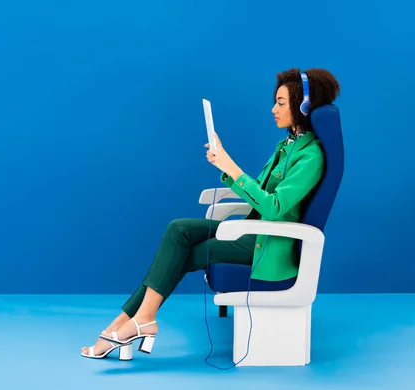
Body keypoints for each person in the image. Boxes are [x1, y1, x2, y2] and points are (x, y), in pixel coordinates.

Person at [81, 67, 341, 359]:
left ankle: (129, 323)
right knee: (178, 229)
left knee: (185, 255)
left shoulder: (311, 155)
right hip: (255, 233)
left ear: (305, 106)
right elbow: (260, 194)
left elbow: (273, 207)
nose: (273, 109)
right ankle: (135, 321)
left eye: (281, 102)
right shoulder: (288, 146)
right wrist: (226, 168)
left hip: (268, 245)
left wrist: (230, 165)